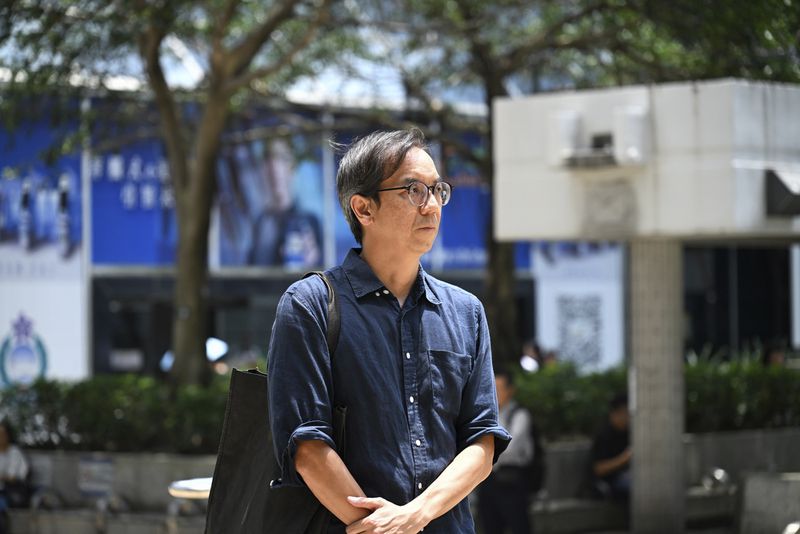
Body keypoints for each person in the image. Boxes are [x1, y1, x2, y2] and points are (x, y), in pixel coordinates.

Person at [267, 129, 510, 533]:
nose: (431, 206)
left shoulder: (466, 312)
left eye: (437, 190)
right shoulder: (309, 305)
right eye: (413, 190)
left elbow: (482, 443)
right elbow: (306, 447)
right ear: (364, 208)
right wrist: (383, 528)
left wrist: (414, 517)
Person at [477, 368, 535, 534]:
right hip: (488, 480)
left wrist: (484, 454)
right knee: (490, 526)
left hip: (512, 480)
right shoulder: (487, 415)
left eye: (499, 388)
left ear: (511, 390)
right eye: (492, 388)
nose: (494, 393)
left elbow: (512, 447)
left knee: (519, 526)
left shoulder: (520, 415)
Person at [590, 392, 630, 501]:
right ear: (614, 413)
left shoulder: (629, 431)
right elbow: (598, 469)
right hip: (607, 484)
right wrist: (624, 458)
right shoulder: (604, 434)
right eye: (625, 413)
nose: (628, 418)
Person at [0, 421, 30, 534]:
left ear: (8, 436)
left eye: (2, 434)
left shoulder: (14, 452)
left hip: (11, 492)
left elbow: (12, 477)